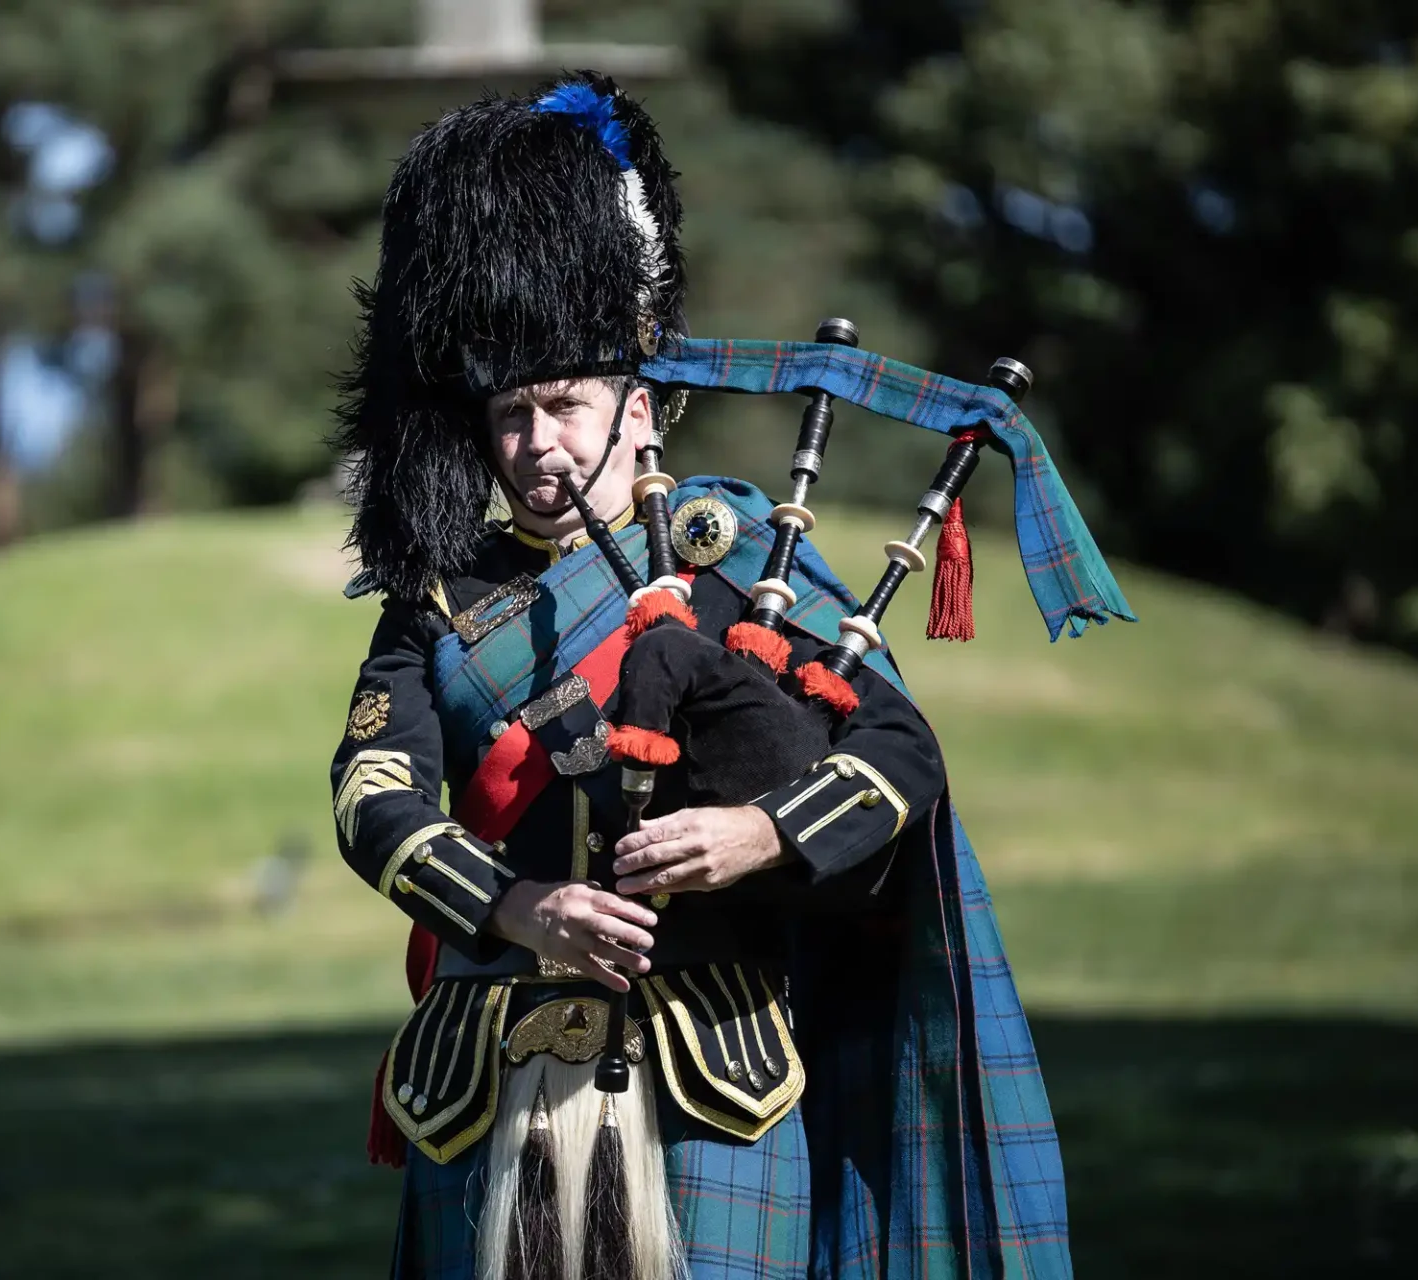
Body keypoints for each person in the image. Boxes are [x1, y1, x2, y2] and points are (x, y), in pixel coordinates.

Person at [330, 72, 1092, 1280]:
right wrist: (518, 908)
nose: (538, 444)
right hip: (484, 1077)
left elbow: (899, 753)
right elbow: (371, 797)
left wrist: (756, 832)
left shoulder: (737, 555)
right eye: (512, 416)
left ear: (642, 408)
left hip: (714, 1078)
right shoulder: (438, 597)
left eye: (566, 406)